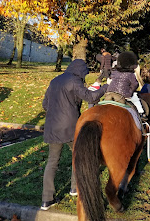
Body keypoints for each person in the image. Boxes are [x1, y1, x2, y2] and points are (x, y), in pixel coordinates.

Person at [41, 59, 107, 210]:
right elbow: (90, 97)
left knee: (52, 162)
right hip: (70, 127)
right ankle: (75, 188)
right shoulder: (74, 81)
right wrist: (105, 88)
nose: (84, 77)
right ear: (80, 71)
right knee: (78, 156)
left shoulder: (55, 80)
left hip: (52, 126)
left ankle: (46, 199)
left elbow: (45, 104)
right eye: (84, 74)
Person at [104, 51, 146, 119]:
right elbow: (135, 84)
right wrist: (131, 91)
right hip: (123, 94)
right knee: (135, 98)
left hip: (109, 92)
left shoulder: (115, 71)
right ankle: (141, 113)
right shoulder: (130, 74)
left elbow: (111, 79)